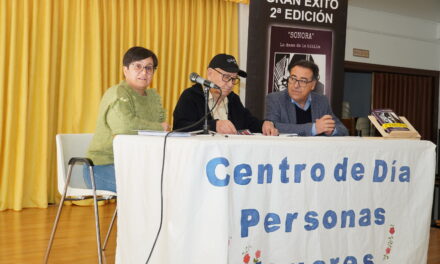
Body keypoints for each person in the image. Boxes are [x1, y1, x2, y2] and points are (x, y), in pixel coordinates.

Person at [84, 47, 169, 192]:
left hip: (138, 165)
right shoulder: (117, 93)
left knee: (170, 182)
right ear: (125, 70)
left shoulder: (153, 97)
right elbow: (124, 127)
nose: (144, 72)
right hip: (102, 166)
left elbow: (164, 130)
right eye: (138, 66)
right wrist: (159, 127)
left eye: (149, 68)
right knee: (148, 189)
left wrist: (161, 128)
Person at [173, 53, 278, 135]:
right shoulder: (191, 96)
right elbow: (179, 127)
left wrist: (264, 124)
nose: (230, 84)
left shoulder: (233, 99)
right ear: (210, 74)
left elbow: (250, 123)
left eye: (234, 79)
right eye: (226, 77)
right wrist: (214, 125)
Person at [265, 59, 348, 136]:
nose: (296, 85)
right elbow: (272, 126)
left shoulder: (321, 101)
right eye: (293, 78)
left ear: (313, 85)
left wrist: (331, 130)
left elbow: (343, 130)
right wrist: (313, 128)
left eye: (303, 81)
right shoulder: (275, 99)